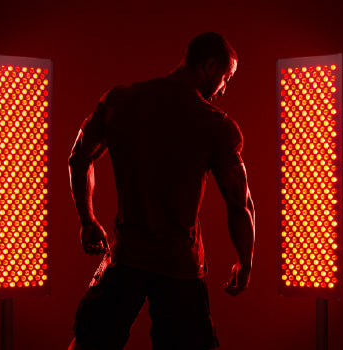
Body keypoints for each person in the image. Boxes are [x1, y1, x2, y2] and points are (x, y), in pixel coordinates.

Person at [67, 32, 255, 350]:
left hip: (126, 256)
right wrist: (245, 262)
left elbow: (79, 156)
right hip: (180, 267)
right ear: (209, 66)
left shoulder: (118, 101)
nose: (223, 89)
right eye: (226, 78)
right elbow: (240, 203)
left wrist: (87, 219)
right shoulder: (216, 125)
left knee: (89, 343)